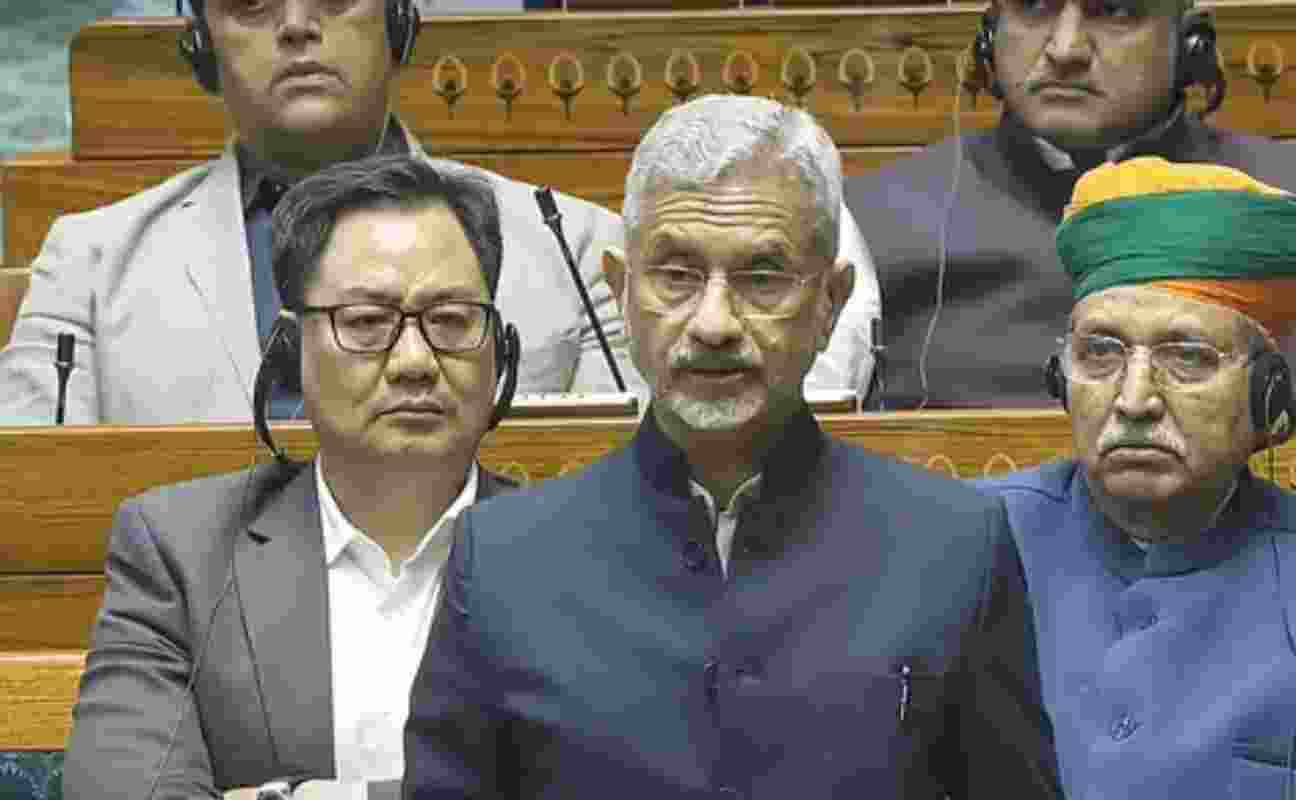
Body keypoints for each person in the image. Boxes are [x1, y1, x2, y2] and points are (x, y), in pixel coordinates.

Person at [402, 95, 1061, 799]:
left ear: (830, 303)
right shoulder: (503, 563)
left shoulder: (955, 548)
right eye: (676, 276)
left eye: (763, 277)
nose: (713, 323)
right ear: (622, 291)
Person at [0, 0, 878, 423]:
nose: (298, 25)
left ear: (399, 23)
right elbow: (34, 515)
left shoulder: (567, 242)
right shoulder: (91, 257)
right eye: (253, 2)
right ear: (200, 44)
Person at [975, 157, 1296, 798]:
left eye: (1187, 357)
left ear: (1267, 398)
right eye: (1100, 352)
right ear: (1060, 378)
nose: (1134, 398)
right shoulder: (964, 548)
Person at [62, 156, 523, 800]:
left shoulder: (586, 552)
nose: (415, 361)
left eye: (451, 320)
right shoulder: (181, 554)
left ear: (499, 347)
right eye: (366, 323)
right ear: (288, 354)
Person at [845, 0, 1296, 409]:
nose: (1065, 47)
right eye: (1035, 7)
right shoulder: (864, 221)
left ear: (1190, 43)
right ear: (990, 36)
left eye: (1115, 12)